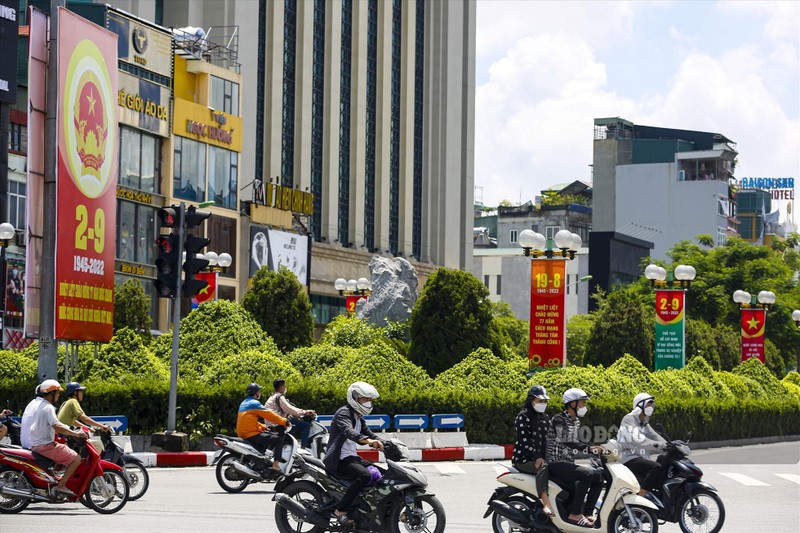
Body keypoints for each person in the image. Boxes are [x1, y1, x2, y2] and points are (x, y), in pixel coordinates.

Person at [323, 381, 384, 526]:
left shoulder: (358, 417)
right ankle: (340, 510)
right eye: (365, 399)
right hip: (338, 459)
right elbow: (349, 432)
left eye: (370, 400)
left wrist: (386, 444)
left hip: (352, 458)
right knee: (364, 475)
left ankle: (364, 507)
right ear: (354, 398)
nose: (368, 403)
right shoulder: (344, 413)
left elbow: (369, 433)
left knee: (382, 474)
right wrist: (368, 441)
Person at [546, 388, 604, 528]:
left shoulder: (575, 421)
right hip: (555, 462)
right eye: (582, 403)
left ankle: (587, 513)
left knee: (599, 476)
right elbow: (566, 440)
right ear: (572, 403)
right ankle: (575, 515)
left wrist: (596, 447)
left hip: (567, 463)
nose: (584, 406)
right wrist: (588, 449)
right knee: (587, 474)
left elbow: (579, 440)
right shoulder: (559, 419)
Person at [20, 380, 88, 497]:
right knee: (76, 458)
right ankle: (61, 486)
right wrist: (75, 434)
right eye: (57, 393)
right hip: (45, 445)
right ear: (51, 393)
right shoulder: (48, 408)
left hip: (37, 444)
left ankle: (53, 479)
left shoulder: (39, 406)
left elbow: (57, 425)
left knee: (63, 450)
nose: (59, 395)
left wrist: (69, 430)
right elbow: (56, 426)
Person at [511, 385, 555, 517]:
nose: (543, 404)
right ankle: (546, 503)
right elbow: (525, 443)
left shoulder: (545, 418)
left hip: (541, 458)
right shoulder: (523, 417)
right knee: (543, 467)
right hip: (524, 459)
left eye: (545, 401)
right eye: (540, 401)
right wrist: (537, 458)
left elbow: (550, 440)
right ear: (531, 400)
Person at [618, 393, 667, 497]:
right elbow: (638, 440)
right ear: (640, 405)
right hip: (628, 457)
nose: (650, 408)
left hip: (640, 457)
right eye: (648, 405)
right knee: (656, 467)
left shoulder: (644, 422)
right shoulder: (628, 419)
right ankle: (641, 496)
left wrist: (669, 445)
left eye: (651, 405)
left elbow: (655, 436)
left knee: (664, 462)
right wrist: (658, 445)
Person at [236, 383, 290, 475]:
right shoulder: (254, 403)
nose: (260, 393)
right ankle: (276, 465)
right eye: (259, 391)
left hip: (243, 432)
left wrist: (264, 427)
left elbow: (250, 421)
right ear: (256, 393)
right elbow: (269, 415)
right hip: (251, 434)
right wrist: (284, 421)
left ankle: (259, 464)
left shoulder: (244, 402)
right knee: (278, 440)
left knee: (267, 438)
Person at [264, 378, 316, 449]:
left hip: (271, 425)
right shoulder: (279, 397)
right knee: (306, 425)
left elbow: (285, 410)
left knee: (293, 423)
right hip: (278, 424)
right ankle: (304, 448)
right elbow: (290, 409)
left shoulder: (271, 397)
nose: (285, 388)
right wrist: (306, 412)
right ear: (281, 387)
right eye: (285, 386)